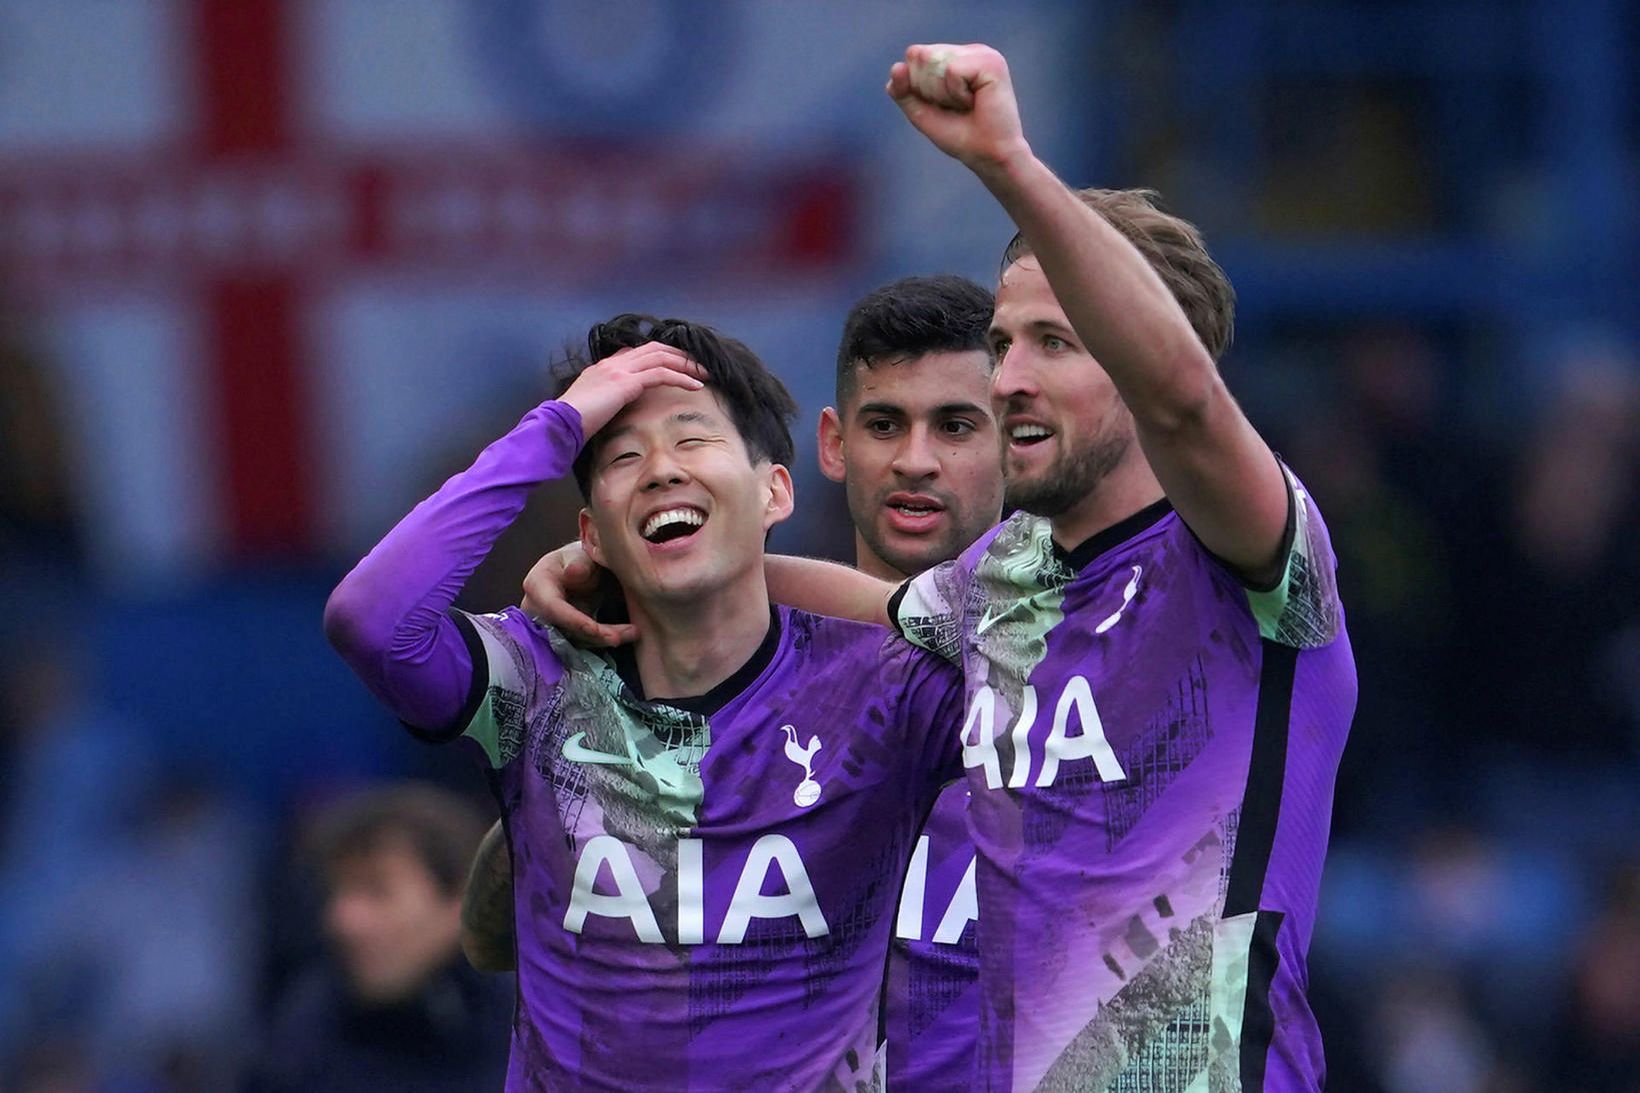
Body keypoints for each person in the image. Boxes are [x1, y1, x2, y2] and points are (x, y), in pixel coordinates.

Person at [526, 42, 1357, 1090]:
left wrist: (1007, 162)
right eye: (1003, 343)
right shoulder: (1002, 579)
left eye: (1054, 342)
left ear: (1144, 355)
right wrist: (641, 563)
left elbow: (1186, 402)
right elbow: (870, 605)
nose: (1009, 378)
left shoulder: (1253, 563)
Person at [324, 314, 963, 1090]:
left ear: (776, 491)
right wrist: (556, 429)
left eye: (692, 440)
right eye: (623, 455)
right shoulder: (535, 677)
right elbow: (372, 620)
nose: (661, 469)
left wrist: (750, 568)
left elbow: (1027, 652)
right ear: (591, 532)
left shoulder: (885, 685)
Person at [243, 784, 511, 1093]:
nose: (342, 920)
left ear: (462, 901)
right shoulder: (299, 1035)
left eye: (376, 891)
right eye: (334, 892)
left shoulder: (540, 1030)